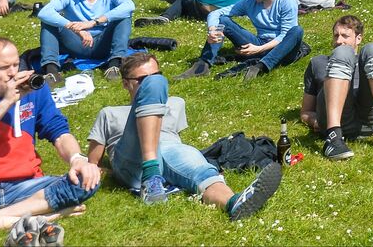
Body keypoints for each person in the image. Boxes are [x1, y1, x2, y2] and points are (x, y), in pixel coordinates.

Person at [86, 52, 282, 218]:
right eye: (143, 80)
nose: (151, 83)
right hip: (132, 159)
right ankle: (150, 174)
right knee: (166, 142)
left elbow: (172, 143)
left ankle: (234, 203)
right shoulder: (109, 113)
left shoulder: (176, 103)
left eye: (157, 75)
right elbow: (94, 163)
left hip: (169, 150)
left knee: (203, 172)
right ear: (125, 84)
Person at [0, 37, 99, 245]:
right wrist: (6, 103)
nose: (13, 72)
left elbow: (58, 132)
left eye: (15, 64)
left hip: (24, 186)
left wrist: (77, 159)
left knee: (86, 179)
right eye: (4, 68)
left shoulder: (34, 92)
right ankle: (35, 218)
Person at [177, 0, 307, 82]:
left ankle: (261, 66)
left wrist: (258, 49)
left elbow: (284, 35)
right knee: (222, 20)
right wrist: (212, 30)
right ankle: (203, 64)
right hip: (259, 43)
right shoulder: (251, 2)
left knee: (296, 31)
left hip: (283, 49)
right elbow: (216, 13)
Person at [301, 16, 373, 160]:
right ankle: (333, 138)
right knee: (343, 53)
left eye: (345, 36)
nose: (338, 41)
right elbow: (306, 112)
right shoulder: (318, 63)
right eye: (336, 35)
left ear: (358, 38)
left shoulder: (367, 60)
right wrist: (313, 121)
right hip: (336, 121)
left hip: (369, 121)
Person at [36, 0, 133, 86]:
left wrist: (94, 22)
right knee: (49, 21)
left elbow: (129, 6)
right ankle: (51, 71)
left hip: (102, 43)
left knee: (124, 17)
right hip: (77, 42)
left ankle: (114, 65)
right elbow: (44, 12)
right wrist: (74, 28)